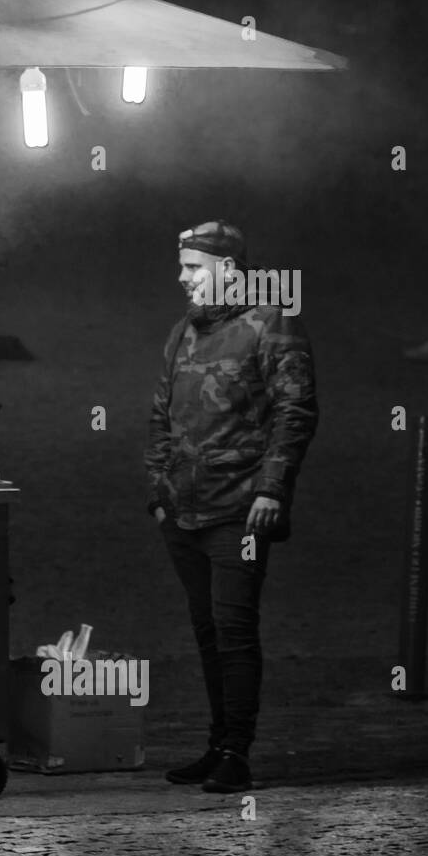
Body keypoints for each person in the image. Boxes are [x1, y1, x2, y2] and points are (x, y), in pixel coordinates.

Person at [146, 219, 319, 794]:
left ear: (229, 269)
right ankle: (217, 742)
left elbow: (296, 413)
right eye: (182, 266)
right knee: (207, 631)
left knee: (235, 629)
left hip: (240, 509)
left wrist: (271, 488)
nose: (182, 277)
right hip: (185, 511)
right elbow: (159, 418)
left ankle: (236, 752)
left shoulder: (271, 324)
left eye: (193, 267)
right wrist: (158, 494)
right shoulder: (183, 333)